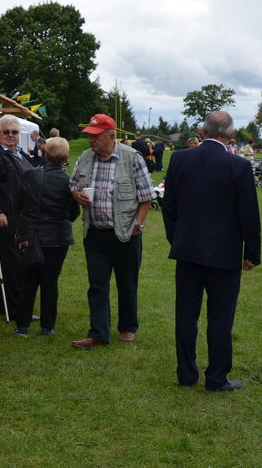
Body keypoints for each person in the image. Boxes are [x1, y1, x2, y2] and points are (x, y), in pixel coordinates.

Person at [162, 111, 261, 392]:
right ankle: (216, 377)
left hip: (188, 249)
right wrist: (252, 252)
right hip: (224, 252)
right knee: (221, 316)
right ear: (231, 135)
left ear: (203, 131)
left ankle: (186, 374)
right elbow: (249, 213)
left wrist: (176, 238)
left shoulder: (180, 159)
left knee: (186, 314)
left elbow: (169, 206)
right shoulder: (238, 165)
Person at [70, 114, 155, 349]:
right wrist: (76, 194)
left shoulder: (131, 158)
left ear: (111, 136)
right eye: (89, 136)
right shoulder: (85, 158)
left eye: (96, 136)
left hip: (126, 233)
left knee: (127, 283)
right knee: (97, 284)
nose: (91, 140)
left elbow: (147, 196)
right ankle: (98, 333)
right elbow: (72, 184)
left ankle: (128, 327)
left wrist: (138, 225)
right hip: (95, 232)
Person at [13, 137, 80, 336]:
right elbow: (74, 212)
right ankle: (47, 326)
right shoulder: (69, 181)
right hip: (58, 236)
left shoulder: (30, 175)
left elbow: (17, 205)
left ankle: (22, 325)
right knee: (50, 281)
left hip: (32, 234)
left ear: (46, 154)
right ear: (66, 158)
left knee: (29, 279)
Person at [0, 114, 34, 320]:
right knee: (13, 264)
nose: (11, 135)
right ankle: (16, 309)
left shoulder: (21, 154)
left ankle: (3, 304)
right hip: (6, 217)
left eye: (15, 132)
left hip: (23, 217)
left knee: (20, 261)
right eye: (6, 132)